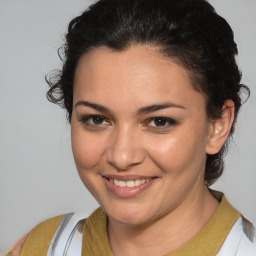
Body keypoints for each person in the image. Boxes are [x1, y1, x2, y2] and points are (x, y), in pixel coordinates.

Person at [6, 0, 256, 255]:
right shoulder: (43, 247)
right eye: (97, 119)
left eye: (159, 121)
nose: (121, 156)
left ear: (218, 125)